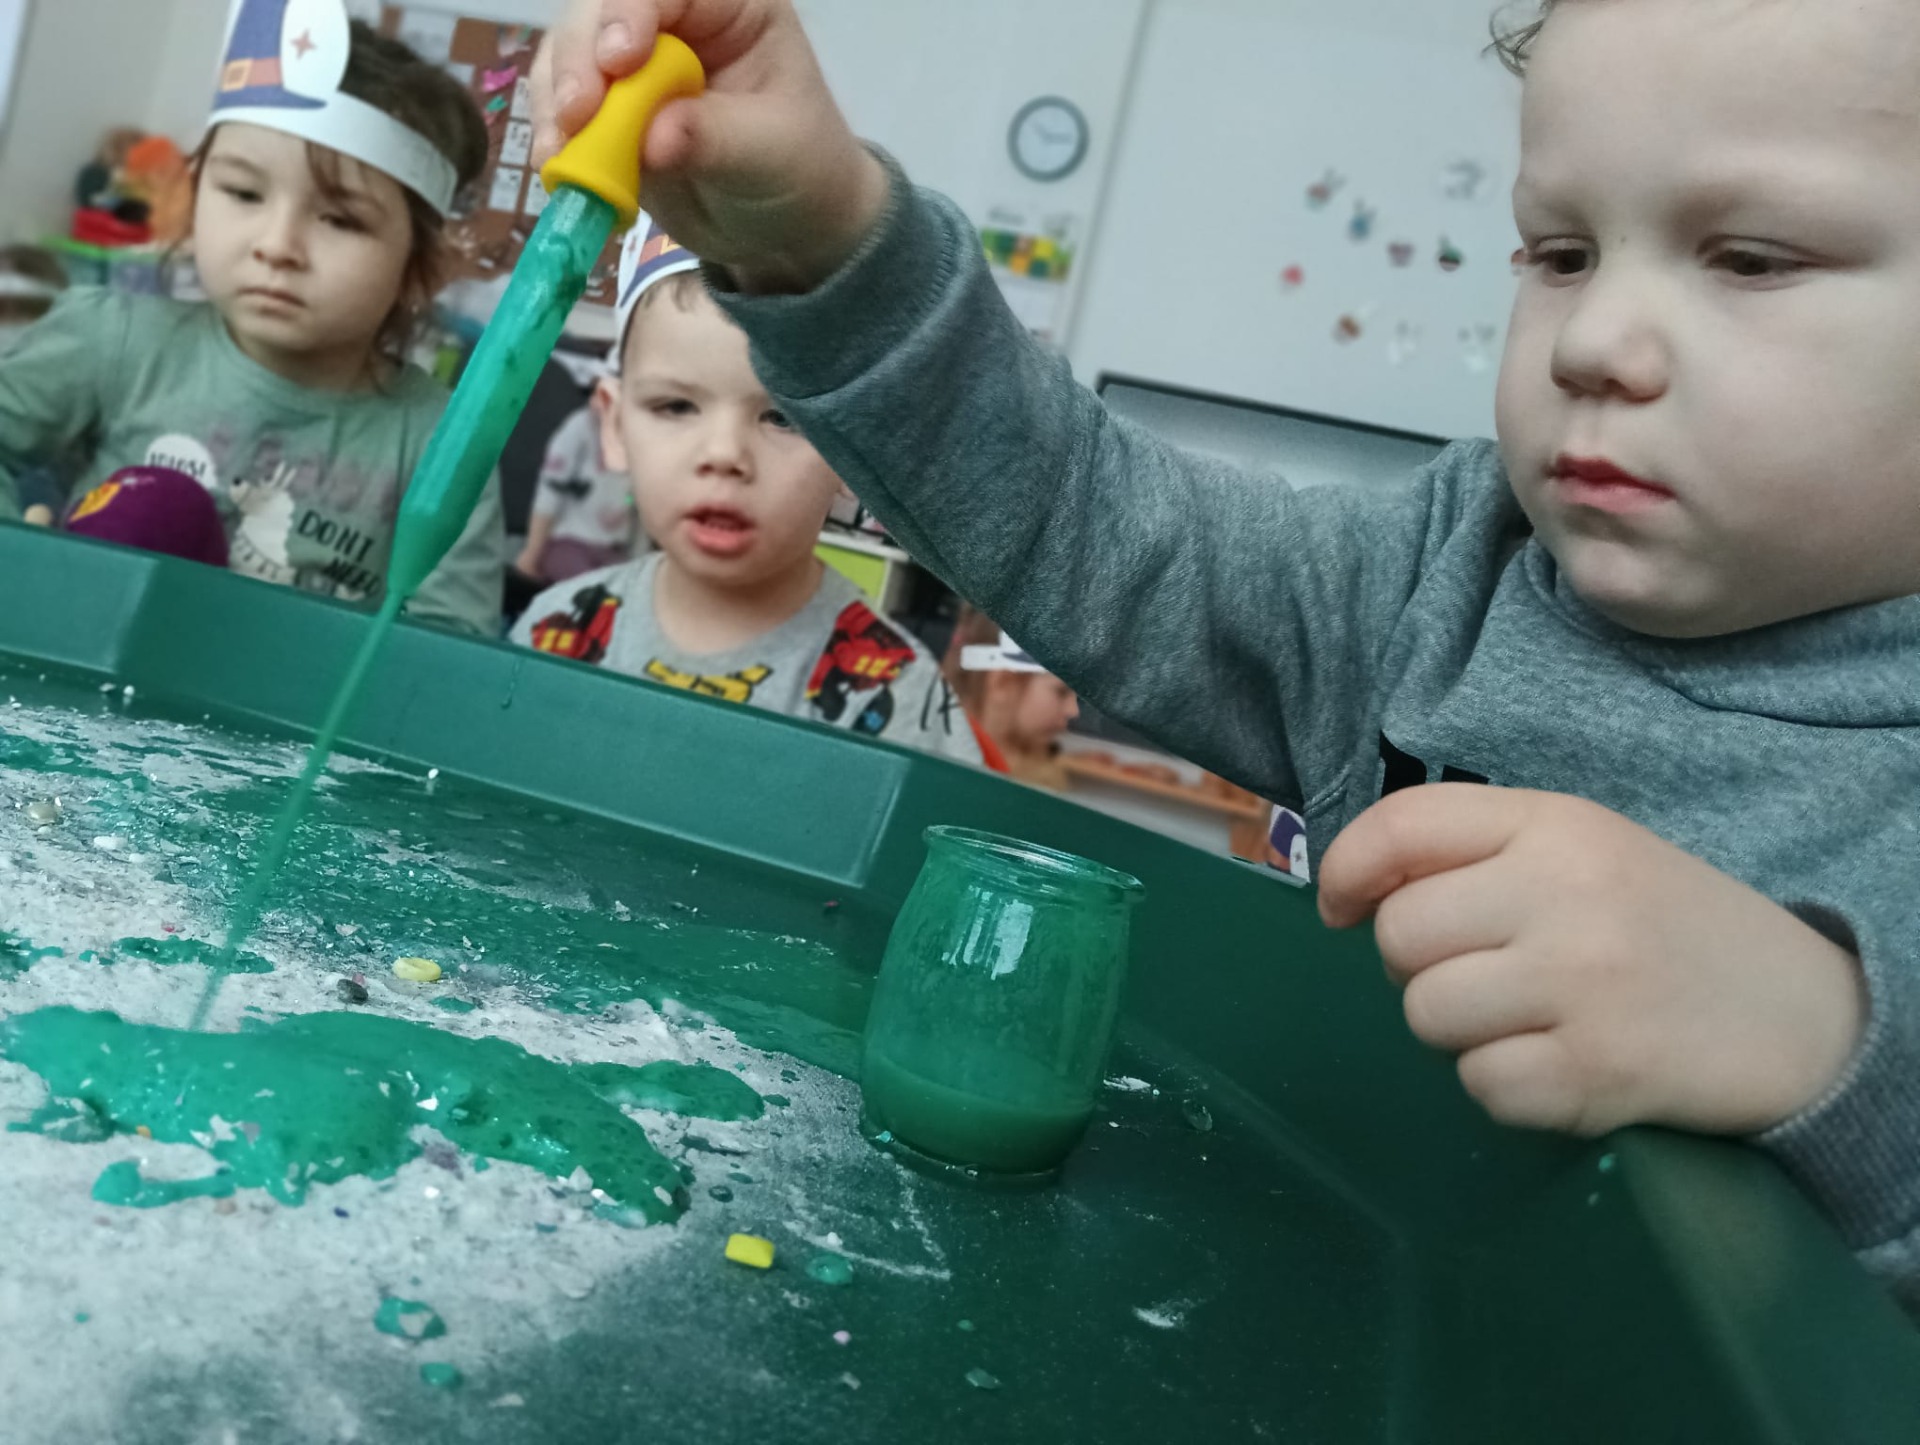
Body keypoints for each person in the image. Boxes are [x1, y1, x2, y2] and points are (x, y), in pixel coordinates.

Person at [535, 0, 1920, 1311]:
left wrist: (1836, 1048)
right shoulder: (1446, 571)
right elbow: (1087, 517)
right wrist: (819, 234)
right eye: (1560, 253)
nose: (1597, 342)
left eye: (1753, 257)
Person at [0, 2, 504, 632]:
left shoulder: (443, 442)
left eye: (341, 219)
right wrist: (28, 574)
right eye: (243, 193)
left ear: (418, 266)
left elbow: (454, 642)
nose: (277, 245)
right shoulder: (113, 338)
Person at [510, 217, 980, 765]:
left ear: (854, 447)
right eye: (676, 406)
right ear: (614, 427)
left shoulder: (892, 697)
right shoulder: (557, 632)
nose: (724, 454)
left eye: (782, 417)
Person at [943, 605, 1079, 788]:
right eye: (1061, 692)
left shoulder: (1037, 775)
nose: (1073, 710)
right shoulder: (945, 770)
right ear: (1003, 682)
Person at [515, 398, 641, 584]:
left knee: (624, 589)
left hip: (614, 549)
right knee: (587, 588)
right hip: (569, 542)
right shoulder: (579, 427)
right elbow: (550, 491)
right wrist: (532, 552)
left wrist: (627, 504)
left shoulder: (640, 437)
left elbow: (635, 499)